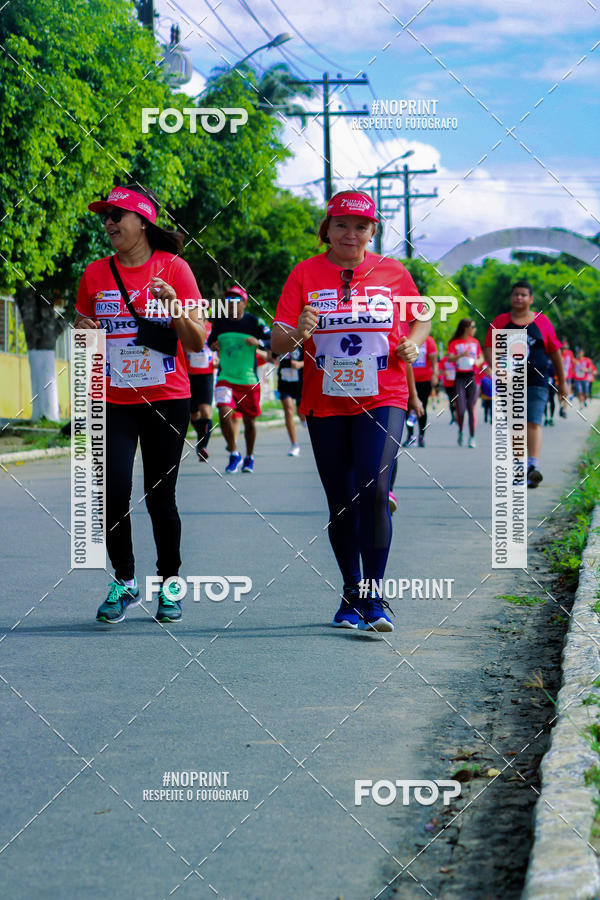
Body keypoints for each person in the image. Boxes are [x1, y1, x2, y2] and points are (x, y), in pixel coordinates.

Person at [271, 190, 429, 633]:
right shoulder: (305, 274)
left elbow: (421, 316)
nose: (351, 233)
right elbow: (277, 344)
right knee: (340, 504)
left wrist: (413, 341)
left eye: (361, 226)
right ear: (327, 230)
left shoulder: (394, 272)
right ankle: (351, 591)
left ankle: (375, 598)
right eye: (341, 225)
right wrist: (297, 331)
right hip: (325, 402)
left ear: (373, 231)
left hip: (385, 395)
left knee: (375, 492)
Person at [76, 184, 206, 623]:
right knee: (111, 492)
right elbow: (84, 335)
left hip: (167, 399)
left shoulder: (175, 268)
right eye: (106, 217)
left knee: (159, 497)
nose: (109, 223)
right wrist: (82, 327)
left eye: (118, 215)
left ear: (143, 222)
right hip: (113, 399)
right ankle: (125, 580)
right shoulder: (95, 274)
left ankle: (169, 586)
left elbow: (197, 340)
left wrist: (175, 308)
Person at [483, 280, 567, 488]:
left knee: (534, 421)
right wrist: (498, 368)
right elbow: (488, 347)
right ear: (511, 298)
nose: (519, 298)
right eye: (515, 294)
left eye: (523, 295)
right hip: (509, 382)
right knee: (516, 424)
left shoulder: (542, 322)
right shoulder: (501, 322)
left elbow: (555, 353)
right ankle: (520, 467)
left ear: (531, 299)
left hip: (538, 380)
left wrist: (562, 383)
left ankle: (532, 466)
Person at [208, 286, 271, 473]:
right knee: (223, 411)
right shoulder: (220, 322)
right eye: (228, 302)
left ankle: (249, 457)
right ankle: (234, 453)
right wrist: (213, 345)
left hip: (248, 380)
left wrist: (258, 342)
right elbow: (211, 342)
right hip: (225, 377)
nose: (232, 305)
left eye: (236, 302)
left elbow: (271, 341)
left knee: (250, 422)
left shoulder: (254, 322)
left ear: (244, 303)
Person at [447, 319, 484, 448]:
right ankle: (461, 431)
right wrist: (461, 355)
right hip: (460, 378)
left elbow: (481, 356)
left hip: (472, 377)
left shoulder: (475, 342)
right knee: (461, 409)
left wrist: (478, 362)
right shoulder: (455, 343)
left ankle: (472, 437)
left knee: (471, 408)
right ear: (466, 327)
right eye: (472, 326)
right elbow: (449, 357)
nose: (474, 329)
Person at [186, 319, 216, 461]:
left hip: (206, 375)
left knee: (205, 411)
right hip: (189, 375)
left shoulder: (212, 327)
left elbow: (219, 344)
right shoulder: (188, 324)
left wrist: (218, 358)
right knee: (194, 415)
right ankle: (201, 438)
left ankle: (203, 446)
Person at [402, 334, 437, 448]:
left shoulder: (429, 341)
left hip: (424, 379)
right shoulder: (405, 337)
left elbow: (433, 361)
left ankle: (421, 435)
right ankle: (411, 435)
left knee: (422, 407)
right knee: (408, 408)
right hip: (408, 379)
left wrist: (435, 375)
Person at [273, 346, 305, 456]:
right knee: (288, 410)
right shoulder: (281, 340)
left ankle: (303, 419)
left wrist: (300, 364)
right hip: (284, 382)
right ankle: (294, 444)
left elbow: (313, 360)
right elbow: (271, 356)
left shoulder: (302, 340)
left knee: (301, 412)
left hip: (300, 382)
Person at [438, 352, 457, 423]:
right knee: (451, 401)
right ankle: (453, 417)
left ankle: (458, 416)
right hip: (448, 384)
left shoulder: (457, 359)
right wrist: (444, 373)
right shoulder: (443, 360)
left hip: (457, 383)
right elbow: (439, 371)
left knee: (458, 401)